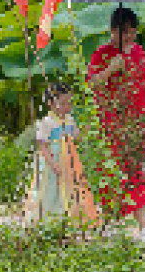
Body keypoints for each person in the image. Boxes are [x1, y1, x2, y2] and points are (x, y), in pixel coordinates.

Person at [86, 6, 145, 245]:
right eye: (124, 32)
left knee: (133, 170)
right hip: (113, 122)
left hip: (137, 121)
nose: (129, 36)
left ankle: (133, 225)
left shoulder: (138, 51)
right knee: (114, 171)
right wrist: (112, 68)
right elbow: (92, 84)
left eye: (132, 32)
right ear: (112, 31)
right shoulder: (101, 54)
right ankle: (121, 224)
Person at [24, 82, 101, 228]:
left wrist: (87, 129)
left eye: (69, 103)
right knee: (51, 187)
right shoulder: (47, 122)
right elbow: (42, 146)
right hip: (53, 160)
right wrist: (53, 163)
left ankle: (70, 214)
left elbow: (76, 137)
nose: (67, 107)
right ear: (51, 104)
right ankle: (46, 216)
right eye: (63, 104)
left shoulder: (69, 120)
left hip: (70, 161)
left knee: (71, 186)